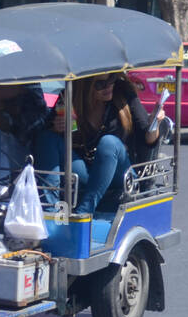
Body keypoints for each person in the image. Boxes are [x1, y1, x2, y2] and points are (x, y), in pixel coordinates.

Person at [36, 74, 162, 215]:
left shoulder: (123, 93)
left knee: (109, 142)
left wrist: (154, 124)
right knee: (48, 138)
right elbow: (48, 132)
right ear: (85, 86)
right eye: (100, 84)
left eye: (111, 80)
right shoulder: (69, 97)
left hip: (120, 173)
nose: (108, 87)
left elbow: (147, 139)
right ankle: (50, 211)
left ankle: (84, 212)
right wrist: (58, 128)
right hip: (86, 170)